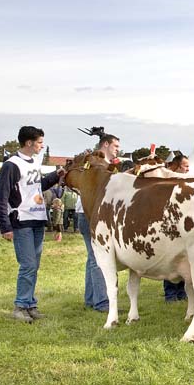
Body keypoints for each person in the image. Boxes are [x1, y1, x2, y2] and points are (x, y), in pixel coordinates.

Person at [0, 126, 64, 323]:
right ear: (29, 143)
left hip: (37, 219)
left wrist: (55, 175)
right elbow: (2, 196)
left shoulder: (34, 162)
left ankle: (30, 304)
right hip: (21, 220)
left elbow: (37, 186)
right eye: (40, 142)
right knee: (28, 265)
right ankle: (20, 306)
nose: (42, 146)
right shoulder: (11, 165)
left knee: (34, 266)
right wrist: (5, 226)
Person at [78, 133, 120, 313]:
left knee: (92, 257)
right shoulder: (96, 163)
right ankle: (102, 302)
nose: (117, 149)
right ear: (105, 144)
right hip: (91, 213)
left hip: (90, 212)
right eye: (115, 146)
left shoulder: (102, 164)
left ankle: (91, 299)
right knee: (98, 258)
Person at [163, 154, 189, 302]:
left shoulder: (187, 182)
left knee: (183, 258)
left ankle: (182, 291)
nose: (188, 169)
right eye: (185, 166)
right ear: (178, 167)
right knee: (171, 259)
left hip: (184, 226)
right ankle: (170, 294)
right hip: (171, 225)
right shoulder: (169, 183)